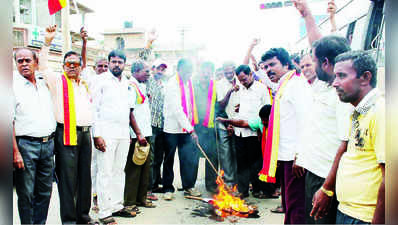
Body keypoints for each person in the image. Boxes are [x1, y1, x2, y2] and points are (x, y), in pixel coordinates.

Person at [39, 25, 94, 224]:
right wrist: (47, 41)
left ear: (80, 66)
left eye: (75, 64)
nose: (72, 66)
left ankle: (83, 216)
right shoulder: (57, 82)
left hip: (85, 135)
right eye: (68, 64)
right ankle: (69, 220)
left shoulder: (85, 83)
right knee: (68, 181)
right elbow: (43, 66)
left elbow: (85, 62)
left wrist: (85, 43)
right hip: (66, 134)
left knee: (84, 178)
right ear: (63, 66)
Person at [259, 47, 312, 224]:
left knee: (296, 205)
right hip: (285, 157)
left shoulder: (296, 85)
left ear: (286, 64)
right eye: (265, 67)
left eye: (272, 64)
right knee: (289, 204)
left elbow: (306, 120)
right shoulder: (283, 85)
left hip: (295, 158)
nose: (268, 70)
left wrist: (300, 156)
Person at [332, 51, 385, 224]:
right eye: (335, 76)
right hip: (349, 211)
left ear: (365, 78)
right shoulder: (358, 111)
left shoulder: (381, 111)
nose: (335, 83)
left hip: (364, 218)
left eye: (341, 76)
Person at [92, 50, 137, 225]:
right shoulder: (100, 80)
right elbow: (94, 109)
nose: (116, 65)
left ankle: (117, 205)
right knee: (105, 172)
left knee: (119, 171)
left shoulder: (126, 82)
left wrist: (129, 134)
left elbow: (127, 110)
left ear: (124, 64)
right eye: (113, 61)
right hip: (106, 134)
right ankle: (104, 212)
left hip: (122, 134)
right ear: (109, 63)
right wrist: (97, 135)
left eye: (120, 62)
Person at [13, 47, 56, 224]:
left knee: (45, 192)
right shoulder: (12, 87)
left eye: (27, 60)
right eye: (20, 61)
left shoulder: (45, 83)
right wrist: (15, 152)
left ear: (36, 63)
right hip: (25, 147)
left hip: (48, 145)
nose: (24, 64)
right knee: (26, 193)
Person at [162, 58, 201, 200]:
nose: (188, 74)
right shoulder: (172, 84)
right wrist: (191, 129)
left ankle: (188, 186)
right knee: (169, 159)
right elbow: (177, 110)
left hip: (186, 127)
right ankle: (167, 188)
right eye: (186, 71)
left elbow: (190, 106)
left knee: (187, 158)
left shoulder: (188, 83)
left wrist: (191, 126)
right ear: (178, 69)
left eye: (190, 71)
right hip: (172, 128)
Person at [231, 65, 272, 198]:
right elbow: (236, 108)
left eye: (244, 79)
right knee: (241, 163)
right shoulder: (240, 89)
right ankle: (242, 190)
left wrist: (261, 129)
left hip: (255, 133)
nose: (242, 82)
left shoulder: (262, 89)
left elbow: (267, 110)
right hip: (239, 132)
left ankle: (257, 189)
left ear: (250, 74)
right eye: (240, 80)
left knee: (255, 163)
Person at [124, 60, 156, 209]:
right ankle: (130, 202)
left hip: (146, 132)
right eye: (146, 71)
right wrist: (138, 133)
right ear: (135, 72)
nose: (149, 74)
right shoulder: (130, 86)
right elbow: (129, 112)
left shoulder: (141, 86)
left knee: (145, 168)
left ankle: (141, 199)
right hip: (137, 134)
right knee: (134, 169)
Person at [193, 61, 218, 194]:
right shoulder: (192, 85)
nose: (206, 73)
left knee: (212, 156)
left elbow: (219, 105)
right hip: (195, 125)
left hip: (210, 126)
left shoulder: (215, 86)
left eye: (209, 70)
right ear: (200, 70)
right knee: (192, 156)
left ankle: (211, 184)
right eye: (204, 70)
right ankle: (190, 184)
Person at [215, 61, 240, 188]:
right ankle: (229, 183)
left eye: (231, 72)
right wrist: (230, 91)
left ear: (234, 70)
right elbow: (221, 105)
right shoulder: (220, 84)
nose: (229, 75)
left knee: (237, 152)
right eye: (226, 73)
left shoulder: (241, 80)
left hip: (239, 123)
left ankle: (239, 182)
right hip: (223, 122)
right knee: (225, 154)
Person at [147, 62, 168, 196]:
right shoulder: (148, 81)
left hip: (162, 125)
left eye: (163, 69)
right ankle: (148, 188)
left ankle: (155, 184)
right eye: (158, 68)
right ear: (153, 69)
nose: (161, 71)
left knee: (159, 157)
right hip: (150, 124)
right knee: (151, 157)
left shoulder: (163, 85)